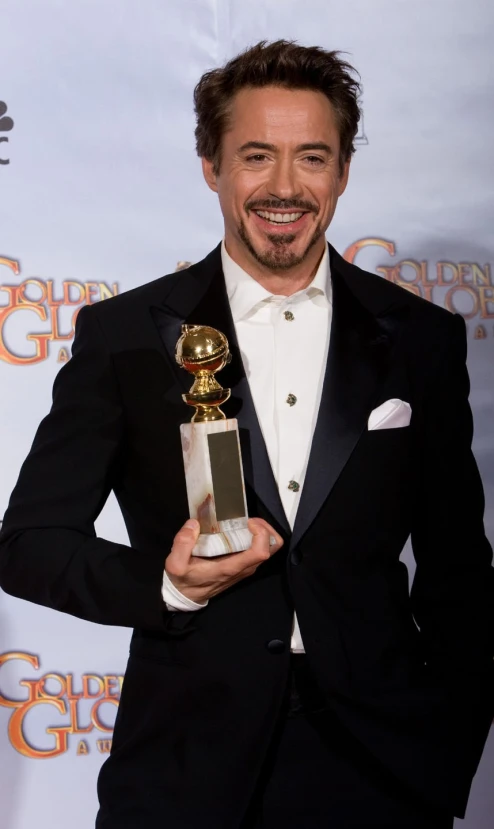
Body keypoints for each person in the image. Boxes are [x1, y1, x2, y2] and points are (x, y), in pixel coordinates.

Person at [0, 39, 492, 829]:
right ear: (212, 165)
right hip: (183, 764)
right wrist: (166, 586)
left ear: (342, 172)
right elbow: (28, 541)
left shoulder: (420, 339)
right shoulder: (126, 335)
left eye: (313, 157)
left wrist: (446, 756)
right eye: (257, 155)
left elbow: (461, 576)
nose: (285, 187)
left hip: (382, 772)